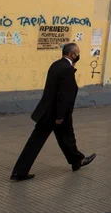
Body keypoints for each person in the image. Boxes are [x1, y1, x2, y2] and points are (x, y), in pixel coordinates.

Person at [11, 43, 96, 181]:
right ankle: (19, 172)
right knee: (42, 140)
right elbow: (64, 95)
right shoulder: (67, 69)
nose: (78, 55)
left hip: (47, 111)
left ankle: (76, 161)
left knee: (65, 137)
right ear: (72, 54)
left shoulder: (56, 65)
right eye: (78, 53)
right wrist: (60, 116)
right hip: (56, 114)